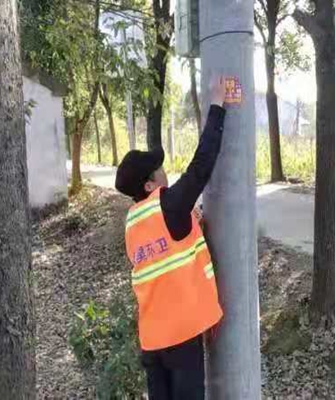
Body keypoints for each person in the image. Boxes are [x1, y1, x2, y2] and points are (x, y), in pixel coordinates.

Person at [114, 75, 228, 399]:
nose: (165, 172)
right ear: (150, 185)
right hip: (180, 337)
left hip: (152, 341)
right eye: (159, 170)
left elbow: (165, 256)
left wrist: (194, 226)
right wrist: (217, 105)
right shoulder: (169, 205)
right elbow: (201, 166)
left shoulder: (132, 222)